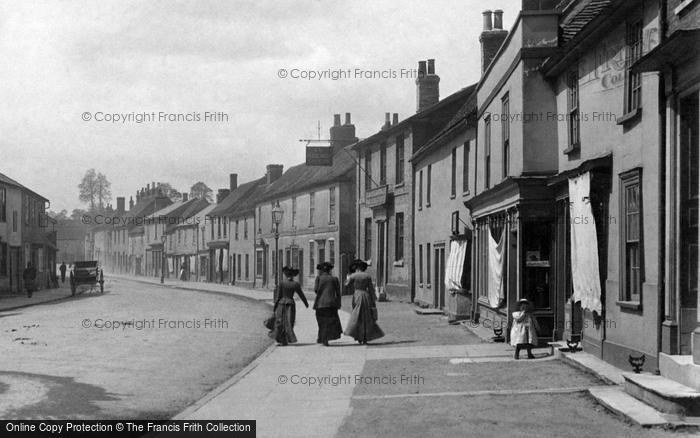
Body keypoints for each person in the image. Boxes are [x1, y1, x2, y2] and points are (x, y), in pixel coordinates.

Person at [344, 259, 384, 344]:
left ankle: (358, 335)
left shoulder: (353, 276)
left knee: (357, 316)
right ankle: (365, 337)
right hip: (366, 296)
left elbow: (346, 285)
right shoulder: (367, 276)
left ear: (358, 267)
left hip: (357, 295)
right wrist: (373, 300)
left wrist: (347, 278)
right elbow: (371, 289)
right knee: (366, 317)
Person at [269, 266, 309, 346]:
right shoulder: (295, 284)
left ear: (286, 275)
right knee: (289, 322)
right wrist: (306, 303)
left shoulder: (282, 283)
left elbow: (278, 296)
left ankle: (281, 339)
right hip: (290, 304)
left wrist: (275, 307)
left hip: (281, 304)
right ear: (293, 275)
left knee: (280, 321)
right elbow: (301, 295)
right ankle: (286, 339)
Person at [313, 261, 343, 346]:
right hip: (331, 304)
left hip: (320, 304)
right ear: (330, 270)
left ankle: (323, 338)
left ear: (322, 270)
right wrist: (339, 303)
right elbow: (338, 293)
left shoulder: (318, 278)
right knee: (330, 321)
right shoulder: (334, 279)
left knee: (321, 321)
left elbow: (315, 290)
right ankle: (324, 338)